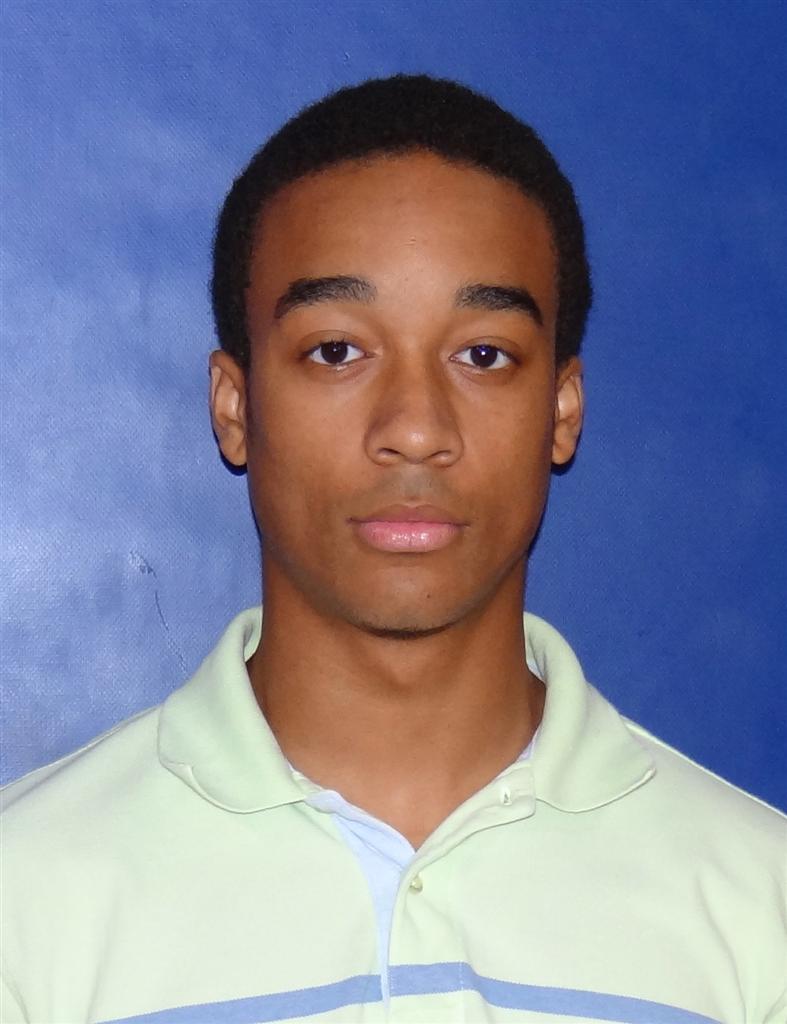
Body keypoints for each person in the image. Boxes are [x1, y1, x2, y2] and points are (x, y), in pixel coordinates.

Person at [1, 74, 784, 1024]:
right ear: (235, 406)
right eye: (336, 351)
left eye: (483, 354)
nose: (414, 429)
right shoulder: (24, 897)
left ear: (561, 409)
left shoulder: (758, 908)